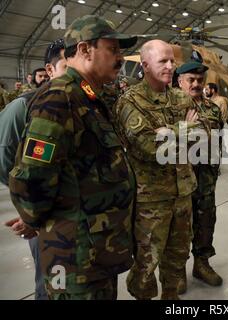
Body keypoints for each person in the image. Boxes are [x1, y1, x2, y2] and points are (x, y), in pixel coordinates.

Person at [8, 15, 138, 300]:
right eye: (113, 49)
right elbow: (31, 176)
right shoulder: (59, 98)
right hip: (75, 258)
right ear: (85, 50)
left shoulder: (87, 97)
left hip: (96, 253)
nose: (120, 57)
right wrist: (35, 217)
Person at [113, 39, 198, 300]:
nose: (171, 66)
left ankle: (170, 298)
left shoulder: (181, 97)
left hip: (182, 194)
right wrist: (181, 130)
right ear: (146, 64)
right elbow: (149, 148)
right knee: (146, 263)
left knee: (178, 256)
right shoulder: (131, 101)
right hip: (151, 200)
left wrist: (167, 133)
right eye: (163, 61)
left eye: (172, 60)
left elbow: (205, 136)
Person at [1, 38, 67, 300]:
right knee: (51, 284)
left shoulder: (84, 106)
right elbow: (5, 158)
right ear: (49, 72)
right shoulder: (23, 106)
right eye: (66, 67)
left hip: (78, 218)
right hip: (45, 216)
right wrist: (31, 206)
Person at [176, 61, 224, 294]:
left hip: (206, 180)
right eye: (191, 80)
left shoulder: (213, 109)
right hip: (180, 182)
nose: (196, 84)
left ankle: (201, 264)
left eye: (199, 80)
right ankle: (177, 271)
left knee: (205, 221)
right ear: (180, 81)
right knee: (181, 226)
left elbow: (218, 139)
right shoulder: (170, 108)